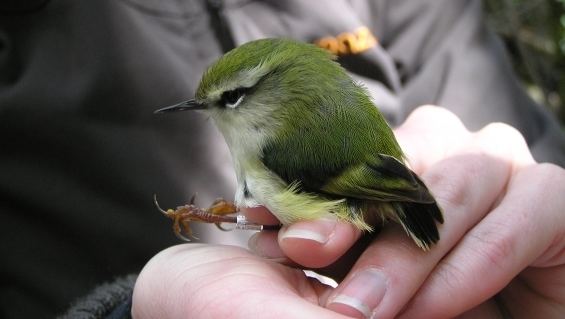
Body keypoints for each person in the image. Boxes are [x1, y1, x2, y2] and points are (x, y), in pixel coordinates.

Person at [1, 0, 563, 318]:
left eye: (231, 100)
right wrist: (123, 313)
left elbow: (519, 177)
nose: (209, 111)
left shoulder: (283, 148)